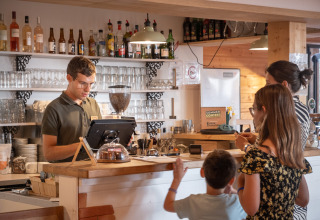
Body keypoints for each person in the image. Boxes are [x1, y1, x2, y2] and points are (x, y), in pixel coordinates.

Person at [235, 60, 313, 219]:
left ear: (263, 110)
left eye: (253, 110)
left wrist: (239, 185)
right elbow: (303, 199)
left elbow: (251, 208)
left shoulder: (255, 158)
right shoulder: (294, 156)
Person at [41, 56, 101, 163]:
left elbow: (100, 139)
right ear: (69, 78)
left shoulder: (93, 104)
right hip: (66, 175)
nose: (88, 89)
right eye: (83, 83)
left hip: (92, 171)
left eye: (91, 84)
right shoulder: (54, 109)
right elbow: (48, 154)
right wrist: (82, 146)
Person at [163, 150, 247, 220]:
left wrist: (177, 179)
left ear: (202, 172)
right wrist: (233, 190)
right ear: (232, 180)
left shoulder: (192, 202)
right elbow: (250, 204)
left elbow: (168, 205)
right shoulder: (237, 202)